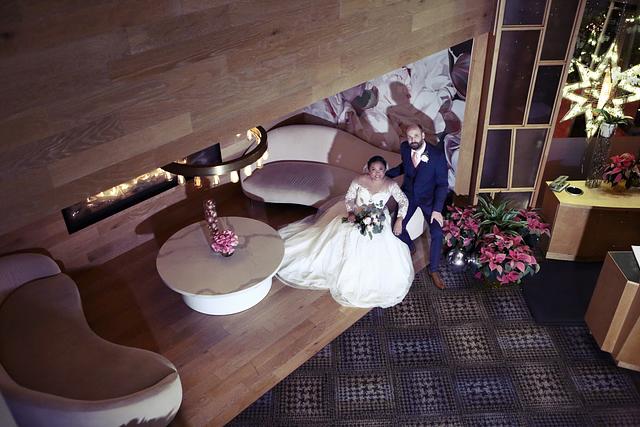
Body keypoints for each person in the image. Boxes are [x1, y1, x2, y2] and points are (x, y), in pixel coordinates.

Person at [276, 156, 414, 308]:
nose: (377, 173)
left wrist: (399, 219)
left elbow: (403, 201)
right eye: (373, 169)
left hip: (378, 219)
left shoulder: (390, 184)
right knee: (342, 235)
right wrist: (351, 212)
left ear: (385, 169)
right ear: (368, 170)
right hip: (356, 215)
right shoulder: (359, 180)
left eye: (380, 169)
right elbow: (349, 197)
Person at [386, 124, 448, 290]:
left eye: (416, 136)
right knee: (397, 228)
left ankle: (433, 270)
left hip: (430, 200)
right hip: (409, 196)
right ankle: (411, 246)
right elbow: (404, 167)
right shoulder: (405, 148)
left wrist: (437, 210)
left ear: (423, 135)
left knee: (437, 232)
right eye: (409, 137)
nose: (412, 140)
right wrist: (386, 175)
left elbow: (442, 185)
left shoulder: (437, 156)